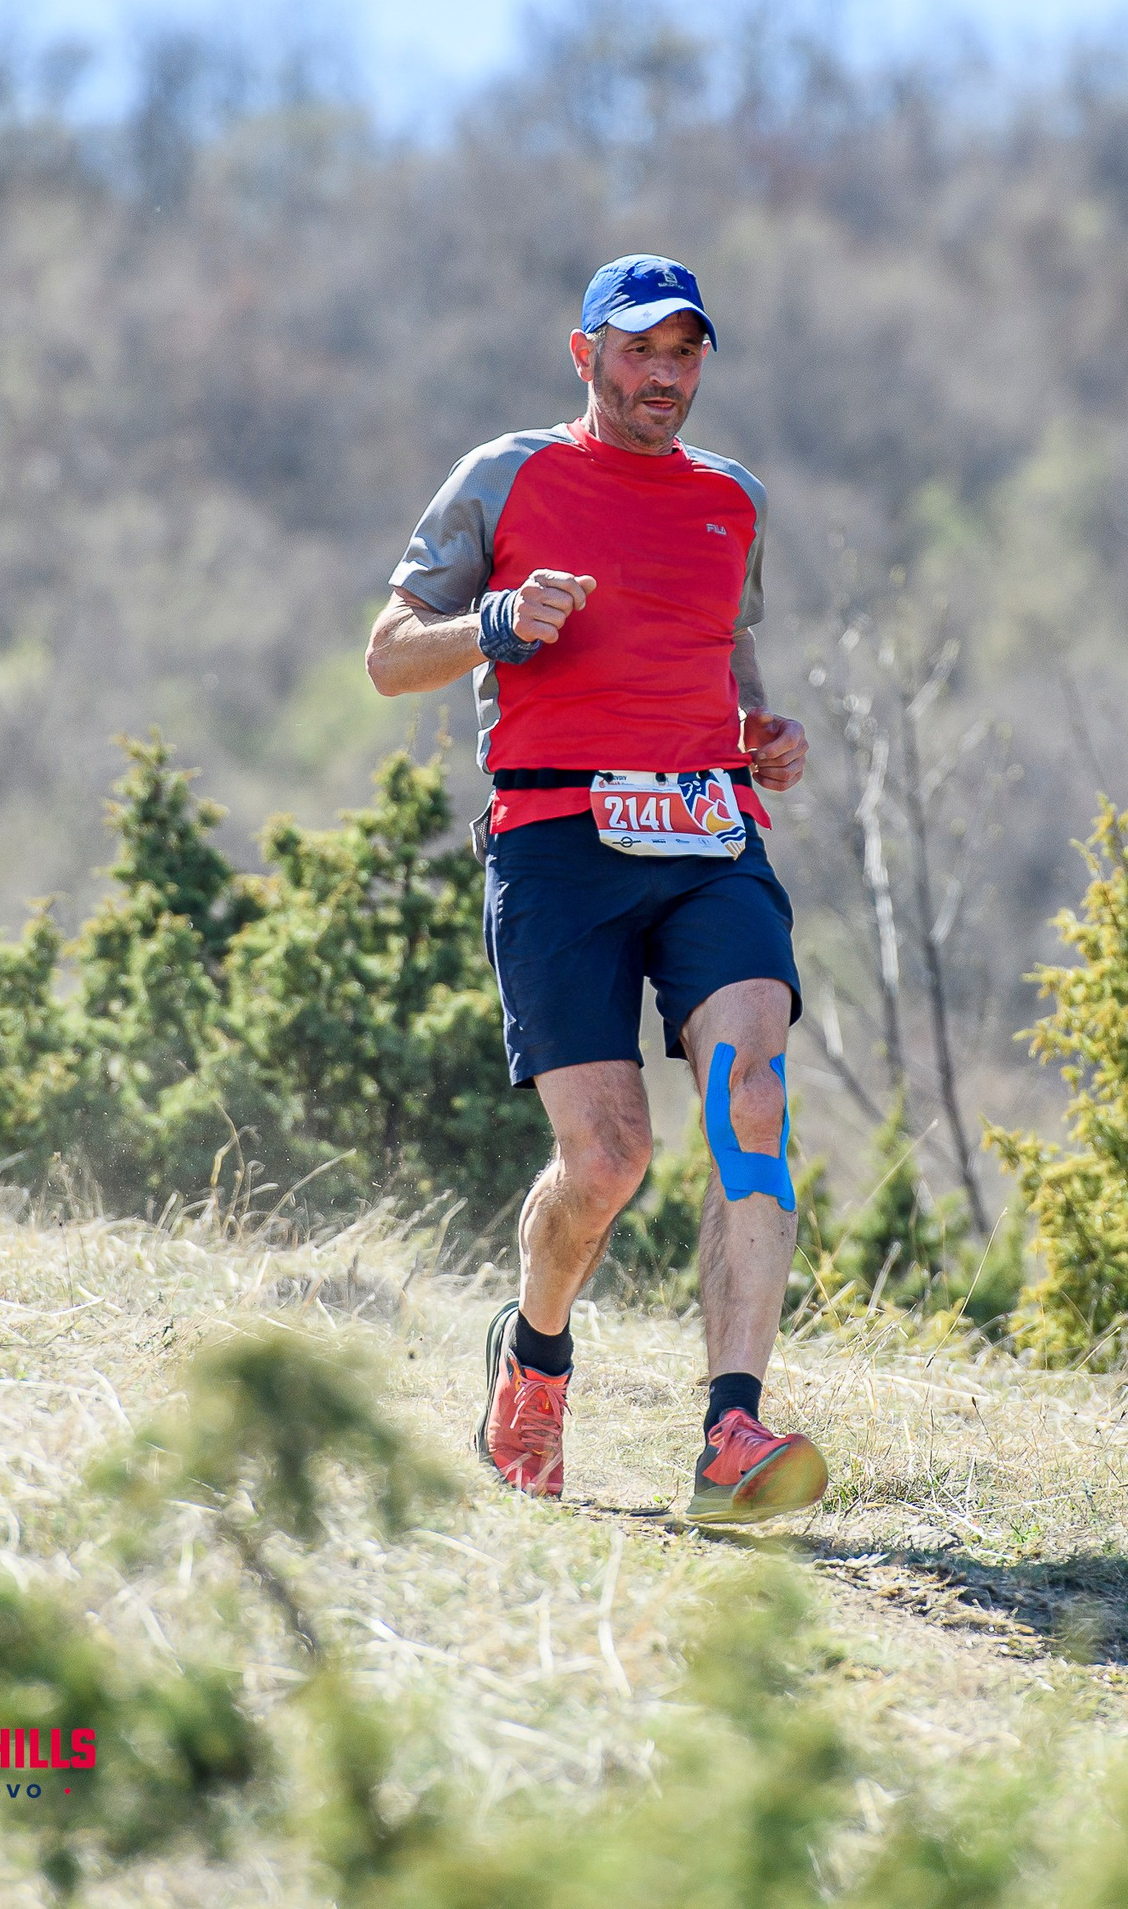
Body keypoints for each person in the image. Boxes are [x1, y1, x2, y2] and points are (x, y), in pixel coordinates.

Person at [365, 254, 826, 1527]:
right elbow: (389, 656)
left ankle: (731, 1430)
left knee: (751, 1100)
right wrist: (499, 620)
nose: (664, 376)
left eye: (684, 354)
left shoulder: (733, 501)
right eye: (639, 352)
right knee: (610, 1158)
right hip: (557, 840)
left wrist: (762, 734)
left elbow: (728, 671)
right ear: (586, 357)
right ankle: (536, 1357)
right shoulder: (505, 476)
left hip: (705, 832)